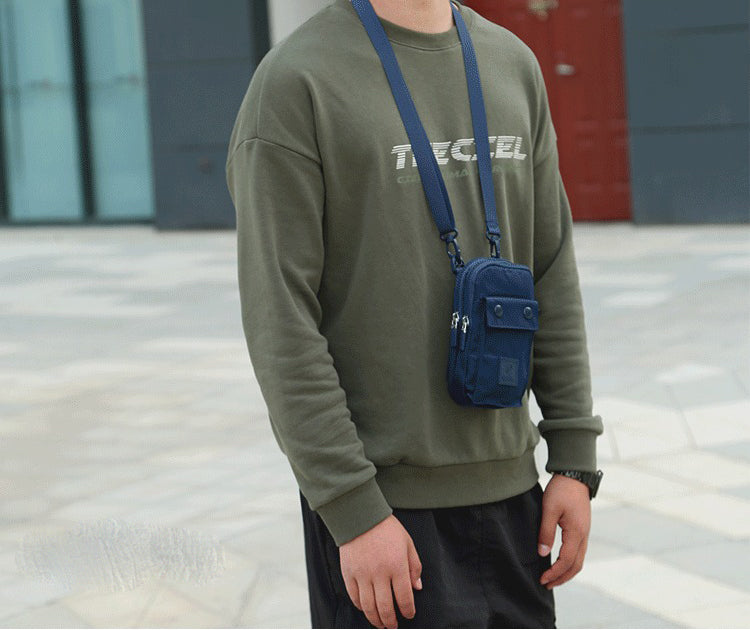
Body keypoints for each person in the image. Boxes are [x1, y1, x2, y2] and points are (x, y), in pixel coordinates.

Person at [226, 0, 604, 627]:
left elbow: (550, 272)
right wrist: (352, 509)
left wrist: (573, 456)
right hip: (385, 517)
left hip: (517, 502)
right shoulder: (296, 83)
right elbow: (281, 321)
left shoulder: (512, 63)